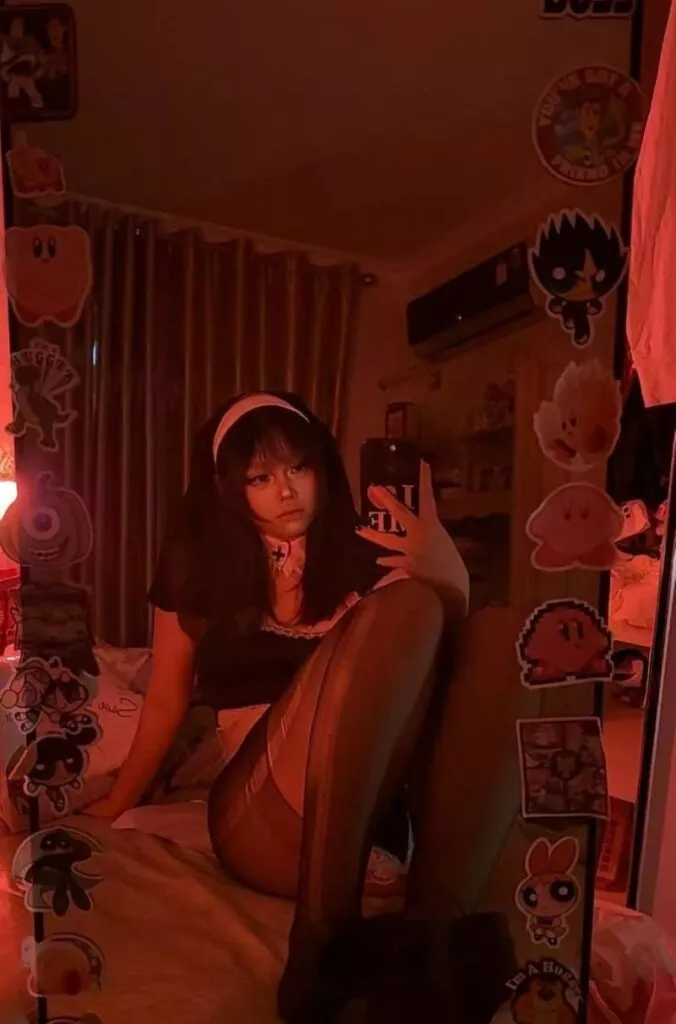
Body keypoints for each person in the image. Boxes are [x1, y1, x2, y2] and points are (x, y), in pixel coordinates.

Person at [88, 391, 514, 1023]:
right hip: (263, 815)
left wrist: (447, 571)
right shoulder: (198, 561)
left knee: (502, 631)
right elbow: (168, 695)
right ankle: (320, 939)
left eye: (298, 468)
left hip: (375, 816)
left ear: (323, 469)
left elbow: (446, 682)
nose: (285, 491)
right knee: (405, 607)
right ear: (231, 488)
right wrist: (118, 801)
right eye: (260, 478)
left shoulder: (368, 550)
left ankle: (429, 943)